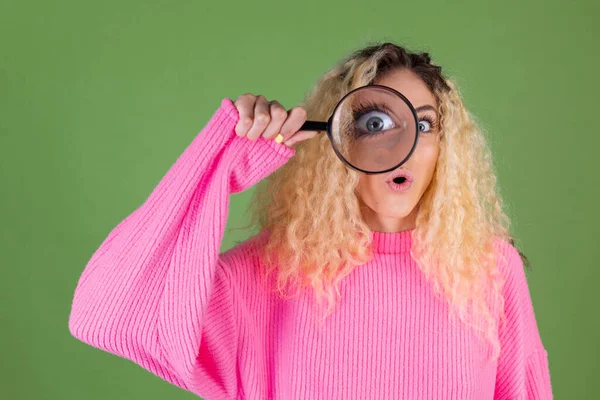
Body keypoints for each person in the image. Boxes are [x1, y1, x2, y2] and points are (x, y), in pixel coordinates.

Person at [68, 42, 553, 399]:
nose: (399, 147)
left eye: (423, 124)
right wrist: (217, 162)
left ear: (446, 147)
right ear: (336, 141)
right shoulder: (265, 277)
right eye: (374, 123)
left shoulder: (487, 267)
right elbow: (106, 316)